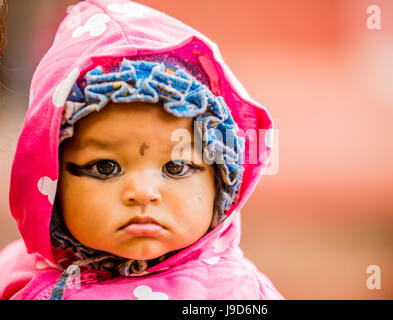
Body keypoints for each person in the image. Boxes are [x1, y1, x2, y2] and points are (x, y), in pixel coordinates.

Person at [0, 0, 282, 300]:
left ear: (221, 182)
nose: (143, 193)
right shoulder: (16, 272)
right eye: (105, 166)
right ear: (52, 182)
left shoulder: (236, 294)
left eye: (176, 167)